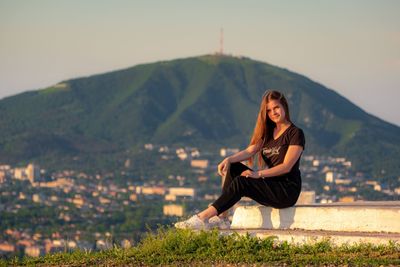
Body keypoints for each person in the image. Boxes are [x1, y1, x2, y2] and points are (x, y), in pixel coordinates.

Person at [175, 90, 305, 229]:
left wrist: (257, 174)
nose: (273, 112)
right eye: (269, 110)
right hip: (270, 186)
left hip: (286, 191)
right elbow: (250, 151)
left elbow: (286, 166)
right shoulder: (268, 133)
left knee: (242, 182)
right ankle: (223, 218)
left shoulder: (295, 133)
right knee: (234, 167)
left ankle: (203, 218)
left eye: (276, 107)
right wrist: (229, 159)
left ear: (284, 106)